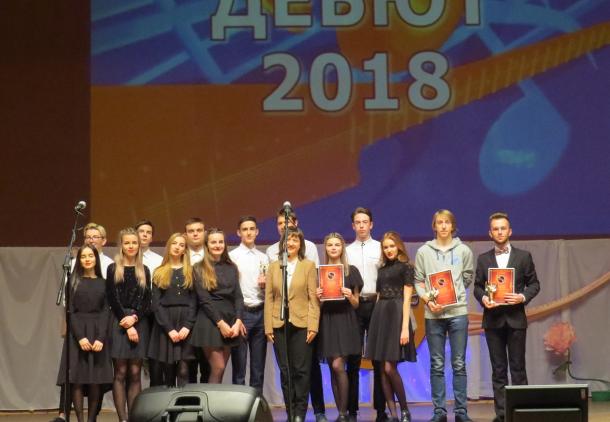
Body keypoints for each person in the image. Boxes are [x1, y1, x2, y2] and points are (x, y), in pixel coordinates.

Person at [473, 212, 540, 422]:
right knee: (498, 370)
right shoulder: (483, 259)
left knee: (518, 368)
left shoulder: (523, 256)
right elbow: (477, 287)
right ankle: (502, 414)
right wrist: (484, 298)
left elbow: (534, 284)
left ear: (510, 231)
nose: (500, 232)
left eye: (503, 228)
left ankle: (521, 412)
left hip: (516, 319)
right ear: (490, 233)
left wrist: (522, 297)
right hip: (493, 320)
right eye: (496, 229)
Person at [414, 210, 474, 422]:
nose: (443, 226)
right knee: (437, 364)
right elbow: (418, 281)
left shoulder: (464, 250)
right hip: (433, 315)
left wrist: (453, 295)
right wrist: (428, 299)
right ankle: (439, 412)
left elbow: (467, 277)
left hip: (458, 313)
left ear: (452, 226)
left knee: (459, 364)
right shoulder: (424, 251)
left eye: (447, 222)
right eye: (439, 222)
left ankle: (461, 412)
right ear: (434, 226)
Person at [264, 227, 320, 422]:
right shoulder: (274, 267)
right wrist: (268, 326)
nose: (291, 243)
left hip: (302, 324)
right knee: (286, 371)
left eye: (295, 240)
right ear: (282, 243)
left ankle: (299, 414)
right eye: (288, 240)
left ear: (300, 244)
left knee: (301, 371)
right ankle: (290, 413)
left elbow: (313, 298)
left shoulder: (308, 265)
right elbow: (269, 298)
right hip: (279, 324)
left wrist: (313, 325)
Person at [56, 245, 112, 422]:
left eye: (90, 256)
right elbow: (70, 312)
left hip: (97, 333)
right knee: (77, 379)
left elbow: (106, 312)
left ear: (96, 258)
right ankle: (80, 419)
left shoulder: (104, 283)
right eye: (83, 256)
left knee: (95, 380)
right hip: (77, 334)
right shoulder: (73, 282)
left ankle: (91, 419)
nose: (87, 259)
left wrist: (100, 338)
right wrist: (80, 337)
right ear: (79, 260)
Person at [365, 231, 415, 422]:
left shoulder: (406, 267)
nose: (389, 250)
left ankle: (405, 410)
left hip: (397, 315)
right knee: (381, 368)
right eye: (385, 247)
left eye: (392, 246)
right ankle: (393, 414)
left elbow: (407, 299)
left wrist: (404, 328)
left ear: (399, 246)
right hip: (380, 316)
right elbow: (379, 296)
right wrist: (374, 325)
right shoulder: (382, 269)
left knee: (389, 367)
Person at [345, 207, 387, 421]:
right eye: (358, 222)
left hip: (376, 304)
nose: (361, 226)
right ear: (353, 226)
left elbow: (386, 278)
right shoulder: (346, 251)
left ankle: (381, 410)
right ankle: (352, 410)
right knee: (353, 359)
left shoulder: (381, 248)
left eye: (365, 222)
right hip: (353, 307)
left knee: (379, 358)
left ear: (371, 224)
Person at [106, 228, 151, 422]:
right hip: (119, 322)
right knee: (120, 372)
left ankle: (133, 417)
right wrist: (127, 323)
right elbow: (112, 298)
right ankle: (122, 419)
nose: (131, 246)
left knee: (135, 372)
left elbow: (147, 300)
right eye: (127, 243)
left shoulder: (144, 269)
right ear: (121, 245)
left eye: (134, 243)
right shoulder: (113, 268)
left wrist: (135, 319)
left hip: (137, 322)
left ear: (139, 245)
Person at [316, 233, 363, 422]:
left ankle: (344, 413)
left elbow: (356, 304)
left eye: (337, 244)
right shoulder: (319, 272)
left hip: (345, 320)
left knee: (338, 365)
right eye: (330, 245)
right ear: (325, 248)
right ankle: (341, 413)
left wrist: (350, 295)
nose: (333, 248)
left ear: (342, 247)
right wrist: (319, 298)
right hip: (327, 321)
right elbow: (317, 306)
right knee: (332, 369)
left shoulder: (352, 271)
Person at [189, 228, 245, 383]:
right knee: (218, 367)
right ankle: (209, 400)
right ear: (207, 245)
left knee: (220, 371)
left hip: (230, 320)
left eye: (221, 242)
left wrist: (238, 321)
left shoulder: (231, 267)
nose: (217, 245)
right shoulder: (198, 268)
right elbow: (204, 300)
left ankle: (213, 399)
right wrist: (220, 323)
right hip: (210, 321)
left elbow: (238, 297)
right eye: (213, 242)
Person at [148, 233, 197, 387]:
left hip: (185, 324)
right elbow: (156, 304)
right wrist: (169, 329)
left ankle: (184, 401)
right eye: (174, 243)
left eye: (181, 245)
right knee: (167, 370)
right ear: (169, 246)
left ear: (185, 250)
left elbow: (195, 301)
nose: (177, 247)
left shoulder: (191, 271)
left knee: (184, 370)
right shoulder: (159, 271)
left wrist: (187, 326)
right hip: (165, 324)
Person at [229, 216, 269, 394]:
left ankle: (256, 405)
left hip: (261, 312)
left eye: (252, 229)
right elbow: (229, 290)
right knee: (239, 367)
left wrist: (266, 284)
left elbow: (269, 288)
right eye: (245, 229)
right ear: (239, 233)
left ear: (257, 231)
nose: (249, 232)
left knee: (258, 368)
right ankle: (239, 406)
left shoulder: (264, 257)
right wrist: (236, 317)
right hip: (241, 314)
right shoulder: (232, 257)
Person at [134, 219, 164, 386]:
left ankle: (155, 393)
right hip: (130, 314)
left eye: (148, 233)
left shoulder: (158, 260)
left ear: (152, 237)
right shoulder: (124, 260)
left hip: (152, 314)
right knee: (133, 361)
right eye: (141, 231)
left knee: (154, 359)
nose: (144, 235)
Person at [184, 217, 210, 383]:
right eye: (191, 231)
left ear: (205, 233)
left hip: (207, 316)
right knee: (188, 366)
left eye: (199, 230)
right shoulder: (180, 255)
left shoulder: (212, 255)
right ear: (185, 235)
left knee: (208, 365)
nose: (195, 234)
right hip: (185, 316)